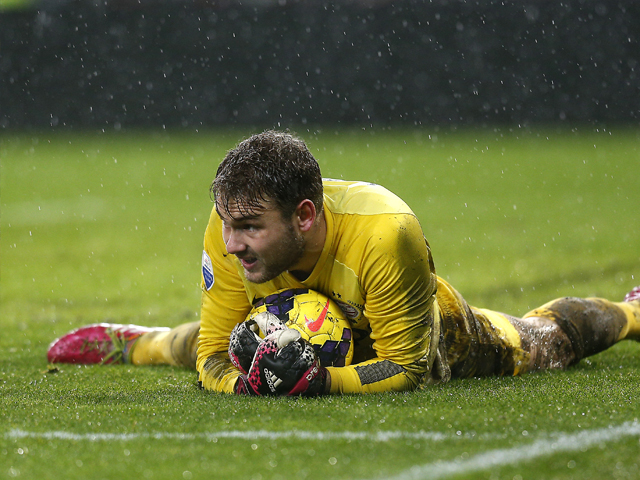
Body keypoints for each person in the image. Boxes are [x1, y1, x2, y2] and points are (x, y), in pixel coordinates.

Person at [47, 130, 640, 396]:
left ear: (305, 215)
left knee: (545, 342)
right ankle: (136, 341)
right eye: (227, 224)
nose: (231, 243)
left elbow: (407, 368)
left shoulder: (386, 231)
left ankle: (630, 313)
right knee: (231, 338)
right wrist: (245, 385)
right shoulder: (226, 225)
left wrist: (318, 382)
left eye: (250, 227)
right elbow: (212, 352)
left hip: (430, 331)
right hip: (298, 330)